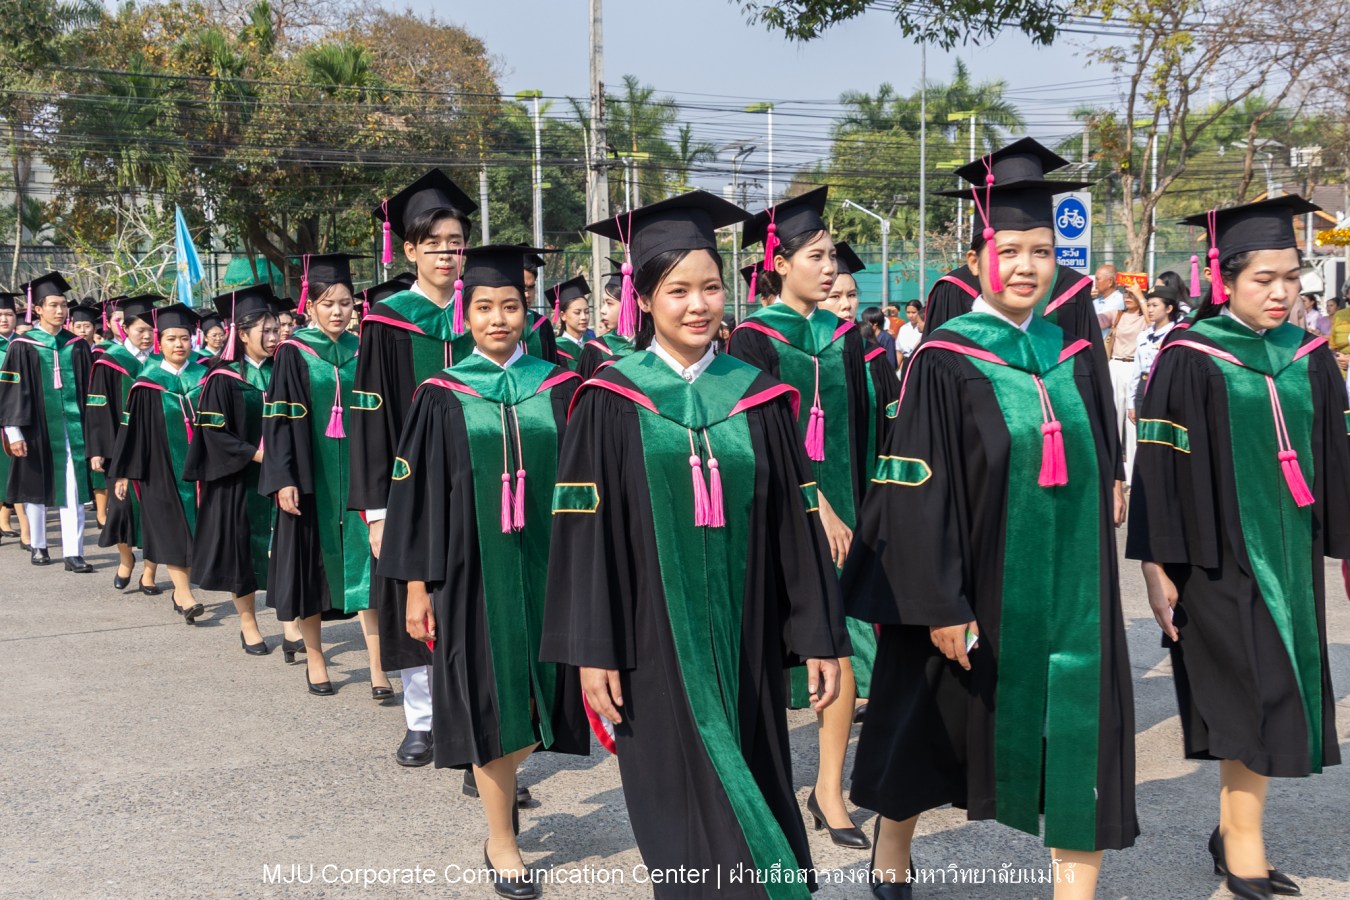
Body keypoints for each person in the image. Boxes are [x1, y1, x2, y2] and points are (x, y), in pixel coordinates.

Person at [544, 191, 851, 898]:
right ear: (644, 299)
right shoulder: (613, 399)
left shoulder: (756, 396)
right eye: (677, 290)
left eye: (711, 287)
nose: (698, 305)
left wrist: (821, 635)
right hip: (651, 646)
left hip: (743, 641)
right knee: (679, 817)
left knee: (753, 786)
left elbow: (795, 526)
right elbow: (582, 533)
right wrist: (592, 651)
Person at [843, 166, 1136, 899]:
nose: (1028, 266)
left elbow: (1102, 446)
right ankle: (894, 847)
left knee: (1080, 738)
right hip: (971, 581)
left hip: (1071, 589)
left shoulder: (1071, 352)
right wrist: (941, 601)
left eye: (1042, 251)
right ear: (977, 261)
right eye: (1010, 250)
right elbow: (913, 485)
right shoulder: (946, 359)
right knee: (924, 725)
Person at [1129, 196, 1348, 900]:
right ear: (1226, 278)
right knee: (1247, 692)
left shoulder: (1309, 356)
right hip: (1215, 556)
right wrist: (1158, 569)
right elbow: (1158, 468)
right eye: (1265, 278)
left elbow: (1339, 458)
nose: (1283, 292)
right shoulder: (1190, 357)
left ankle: (1233, 833)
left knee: (1276, 688)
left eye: (1292, 276)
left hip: (1290, 555)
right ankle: (1244, 846)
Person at [381, 245, 588, 898]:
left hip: (552, 569)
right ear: (465, 316)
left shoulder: (561, 387)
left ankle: (504, 790)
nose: (498, 318)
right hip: (472, 575)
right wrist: (417, 586)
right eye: (483, 307)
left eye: (510, 305)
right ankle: (503, 839)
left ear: (529, 311)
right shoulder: (441, 395)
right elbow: (413, 498)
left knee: (548, 699)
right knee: (494, 703)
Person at [730, 186, 897, 851]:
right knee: (772, 652)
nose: (829, 269)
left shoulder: (844, 338)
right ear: (779, 263)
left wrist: (865, 509)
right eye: (815, 256)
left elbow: (860, 431)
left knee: (845, 642)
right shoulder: (752, 338)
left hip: (847, 516)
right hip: (783, 512)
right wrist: (816, 502)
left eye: (831, 256)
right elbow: (759, 436)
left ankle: (829, 789)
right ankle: (760, 789)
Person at [358, 169, 479, 767]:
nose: (446, 254)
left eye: (455, 243)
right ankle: (422, 719)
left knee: (473, 606)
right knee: (413, 600)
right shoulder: (387, 320)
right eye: (433, 244)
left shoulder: (485, 313)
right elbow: (369, 417)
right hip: (410, 490)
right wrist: (376, 510)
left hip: (480, 487)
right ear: (409, 250)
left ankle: (481, 725)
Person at [264, 255, 385, 697]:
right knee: (310, 569)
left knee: (371, 569)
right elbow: (277, 421)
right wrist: (282, 478)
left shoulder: (365, 351)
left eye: (346, 303)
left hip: (359, 477)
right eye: (328, 303)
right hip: (311, 479)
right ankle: (316, 657)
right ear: (309, 305)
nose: (338, 311)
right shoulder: (293, 354)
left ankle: (377, 665)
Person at [183, 286, 280, 656]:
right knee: (244, 556)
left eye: (276, 330)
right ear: (242, 333)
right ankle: (249, 623)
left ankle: (290, 623)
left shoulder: (284, 369)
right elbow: (214, 435)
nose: (273, 338)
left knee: (286, 551)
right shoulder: (222, 378)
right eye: (265, 332)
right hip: (241, 480)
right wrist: (257, 456)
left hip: (282, 476)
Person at [109, 303, 209, 623]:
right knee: (172, 530)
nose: (179, 344)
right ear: (159, 342)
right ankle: (183, 593)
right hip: (159, 470)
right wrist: (124, 472)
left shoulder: (206, 376)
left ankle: (182, 591)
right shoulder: (147, 382)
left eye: (184, 338)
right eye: (170, 339)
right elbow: (132, 430)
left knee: (195, 530)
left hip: (202, 468)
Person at [0, 273, 95, 571]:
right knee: (36, 485)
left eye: (63, 305)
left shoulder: (77, 345)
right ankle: (39, 545)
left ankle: (73, 552)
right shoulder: (23, 345)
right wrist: (13, 432)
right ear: (37, 309)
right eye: (53, 305)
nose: (60, 311)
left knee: (73, 487)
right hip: (35, 427)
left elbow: (89, 390)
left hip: (74, 428)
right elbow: (10, 393)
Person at [87, 296, 161, 593]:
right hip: (118, 447)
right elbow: (97, 406)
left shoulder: (160, 363)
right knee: (120, 511)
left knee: (155, 512)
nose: (146, 336)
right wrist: (97, 448)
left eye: (150, 331)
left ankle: (150, 573)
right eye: (140, 329)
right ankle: (126, 558)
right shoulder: (110, 361)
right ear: (125, 328)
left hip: (156, 449)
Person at [1125, 284, 1183, 425]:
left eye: (1155, 305)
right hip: (1143, 387)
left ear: (1169, 309)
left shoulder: (1176, 336)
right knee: (1142, 436)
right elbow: (1137, 371)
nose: (1150, 310)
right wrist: (1131, 403)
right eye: (1148, 305)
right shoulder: (1144, 336)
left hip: (1164, 387)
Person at [1107, 283, 1147, 483]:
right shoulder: (1118, 315)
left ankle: (1132, 477)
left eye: (1131, 293)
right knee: (1113, 418)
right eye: (1125, 293)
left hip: (1134, 368)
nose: (1127, 296)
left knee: (1132, 422)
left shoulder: (1144, 316)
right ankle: (1112, 475)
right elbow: (1097, 319)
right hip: (1115, 365)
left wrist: (1141, 298)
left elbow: (1153, 324)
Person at [0, 292, 30, 546]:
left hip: (17, 417)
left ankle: (26, 529)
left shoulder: (24, 344)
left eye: (9, 314)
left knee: (19, 473)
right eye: (0, 315)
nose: (4, 318)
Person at [575, 267, 637, 380]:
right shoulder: (595, 350)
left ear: (630, 304)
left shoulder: (655, 346)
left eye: (609, 303)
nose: (603, 310)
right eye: (604, 302)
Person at [548, 275, 591, 369]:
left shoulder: (592, 345)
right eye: (577, 312)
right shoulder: (556, 348)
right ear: (563, 316)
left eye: (587, 312)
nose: (584, 317)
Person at [1093, 264, 1125, 336]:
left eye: (1098, 279)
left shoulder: (1120, 300)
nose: (1095, 283)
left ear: (1110, 281)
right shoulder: (1095, 302)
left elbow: (1099, 322)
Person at [895, 300, 924, 367]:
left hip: (919, 363)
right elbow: (899, 352)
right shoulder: (903, 329)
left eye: (913, 312)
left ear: (920, 312)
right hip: (905, 363)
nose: (910, 315)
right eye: (908, 312)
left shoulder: (923, 328)